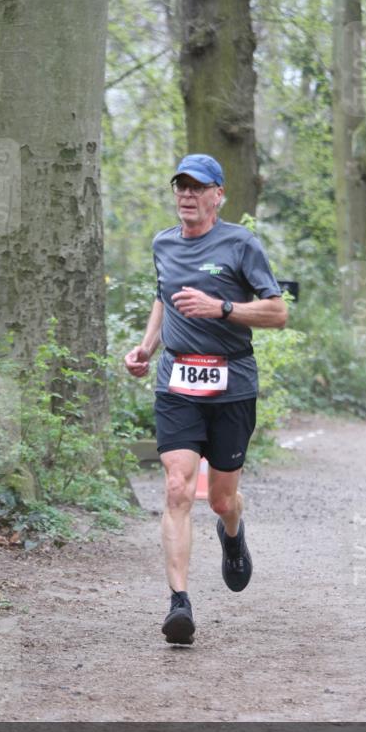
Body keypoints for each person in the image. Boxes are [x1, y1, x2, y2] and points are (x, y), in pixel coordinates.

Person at [124, 154, 286, 645]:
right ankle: (179, 604)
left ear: (219, 194)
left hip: (231, 385)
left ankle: (232, 532)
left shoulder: (240, 243)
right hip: (177, 383)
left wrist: (223, 308)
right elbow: (162, 294)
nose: (187, 195)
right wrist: (147, 347)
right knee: (177, 487)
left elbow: (277, 313)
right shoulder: (163, 243)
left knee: (219, 499)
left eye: (198, 187)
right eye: (181, 187)